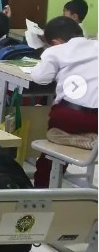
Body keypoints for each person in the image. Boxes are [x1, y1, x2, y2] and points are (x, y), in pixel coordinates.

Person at [30, 16, 98, 188]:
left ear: (55, 41)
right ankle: (89, 139)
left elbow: (40, 78)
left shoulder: (55, 51)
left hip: (70, 116)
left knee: (52, 148)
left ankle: (43, 188)